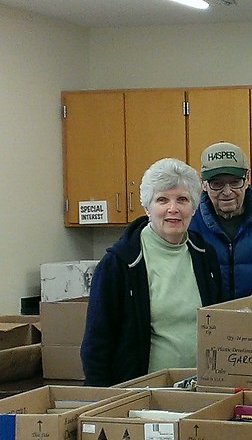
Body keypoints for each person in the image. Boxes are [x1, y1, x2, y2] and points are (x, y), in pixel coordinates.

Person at [81, 158, 222, 386]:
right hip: (140, 393)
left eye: (182, 200)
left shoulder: (206, 256)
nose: (172, 209)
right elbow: (97, 343)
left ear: (194, 208)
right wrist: (100, 401)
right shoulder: (119, 263)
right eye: (162, 200)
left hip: (200, 389)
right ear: (147, 207)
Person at [189, 141, 252, 298]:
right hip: (210, 320)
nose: (227, 191)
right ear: (204, 184)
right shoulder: (189, 221)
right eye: (217, 184)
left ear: (247, 179)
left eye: (235, 182)